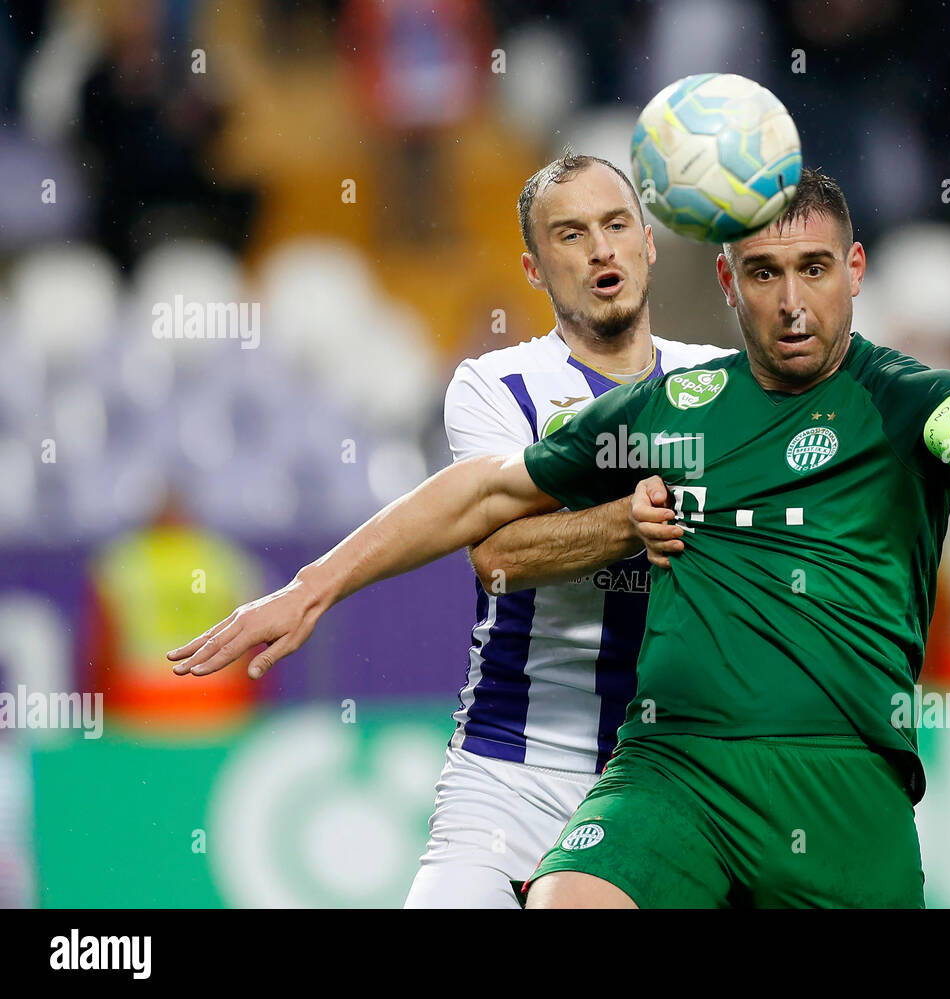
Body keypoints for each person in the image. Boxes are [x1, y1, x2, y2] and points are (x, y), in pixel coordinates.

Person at [169, 168, 950, 908]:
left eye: (813, 270)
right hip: (626, 764)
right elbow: (487, 512)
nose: (791, 303)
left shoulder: (885, 392)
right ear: (729, 281)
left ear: (854, 271)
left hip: (833, 775)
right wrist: (311, 587)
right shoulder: (647, 402)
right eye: (765, 274)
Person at [169, 151, 731, 908]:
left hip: (674, 769)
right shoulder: (498, 384)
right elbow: (498, 555)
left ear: (649, 244)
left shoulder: (724, 385)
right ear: (534, 269)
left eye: (615, 225)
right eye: (570, 235)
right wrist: (632, 521)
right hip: (513, 767)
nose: (600, 249)